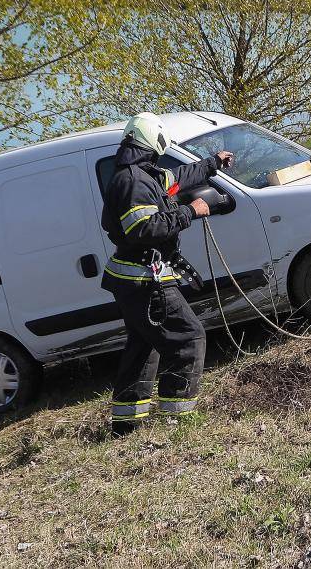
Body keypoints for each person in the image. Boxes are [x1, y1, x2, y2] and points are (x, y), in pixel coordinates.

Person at [101, 113, 233, 431]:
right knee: (189, 337)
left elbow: (178, 178)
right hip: (143, 278)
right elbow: (144, 229)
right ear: (155, 141)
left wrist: (211, 162)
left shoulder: (139, 175)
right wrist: (191, 211)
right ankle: (178, 421)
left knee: (142, 347)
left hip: (133, 278)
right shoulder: (134, 182)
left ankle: (126, 426)